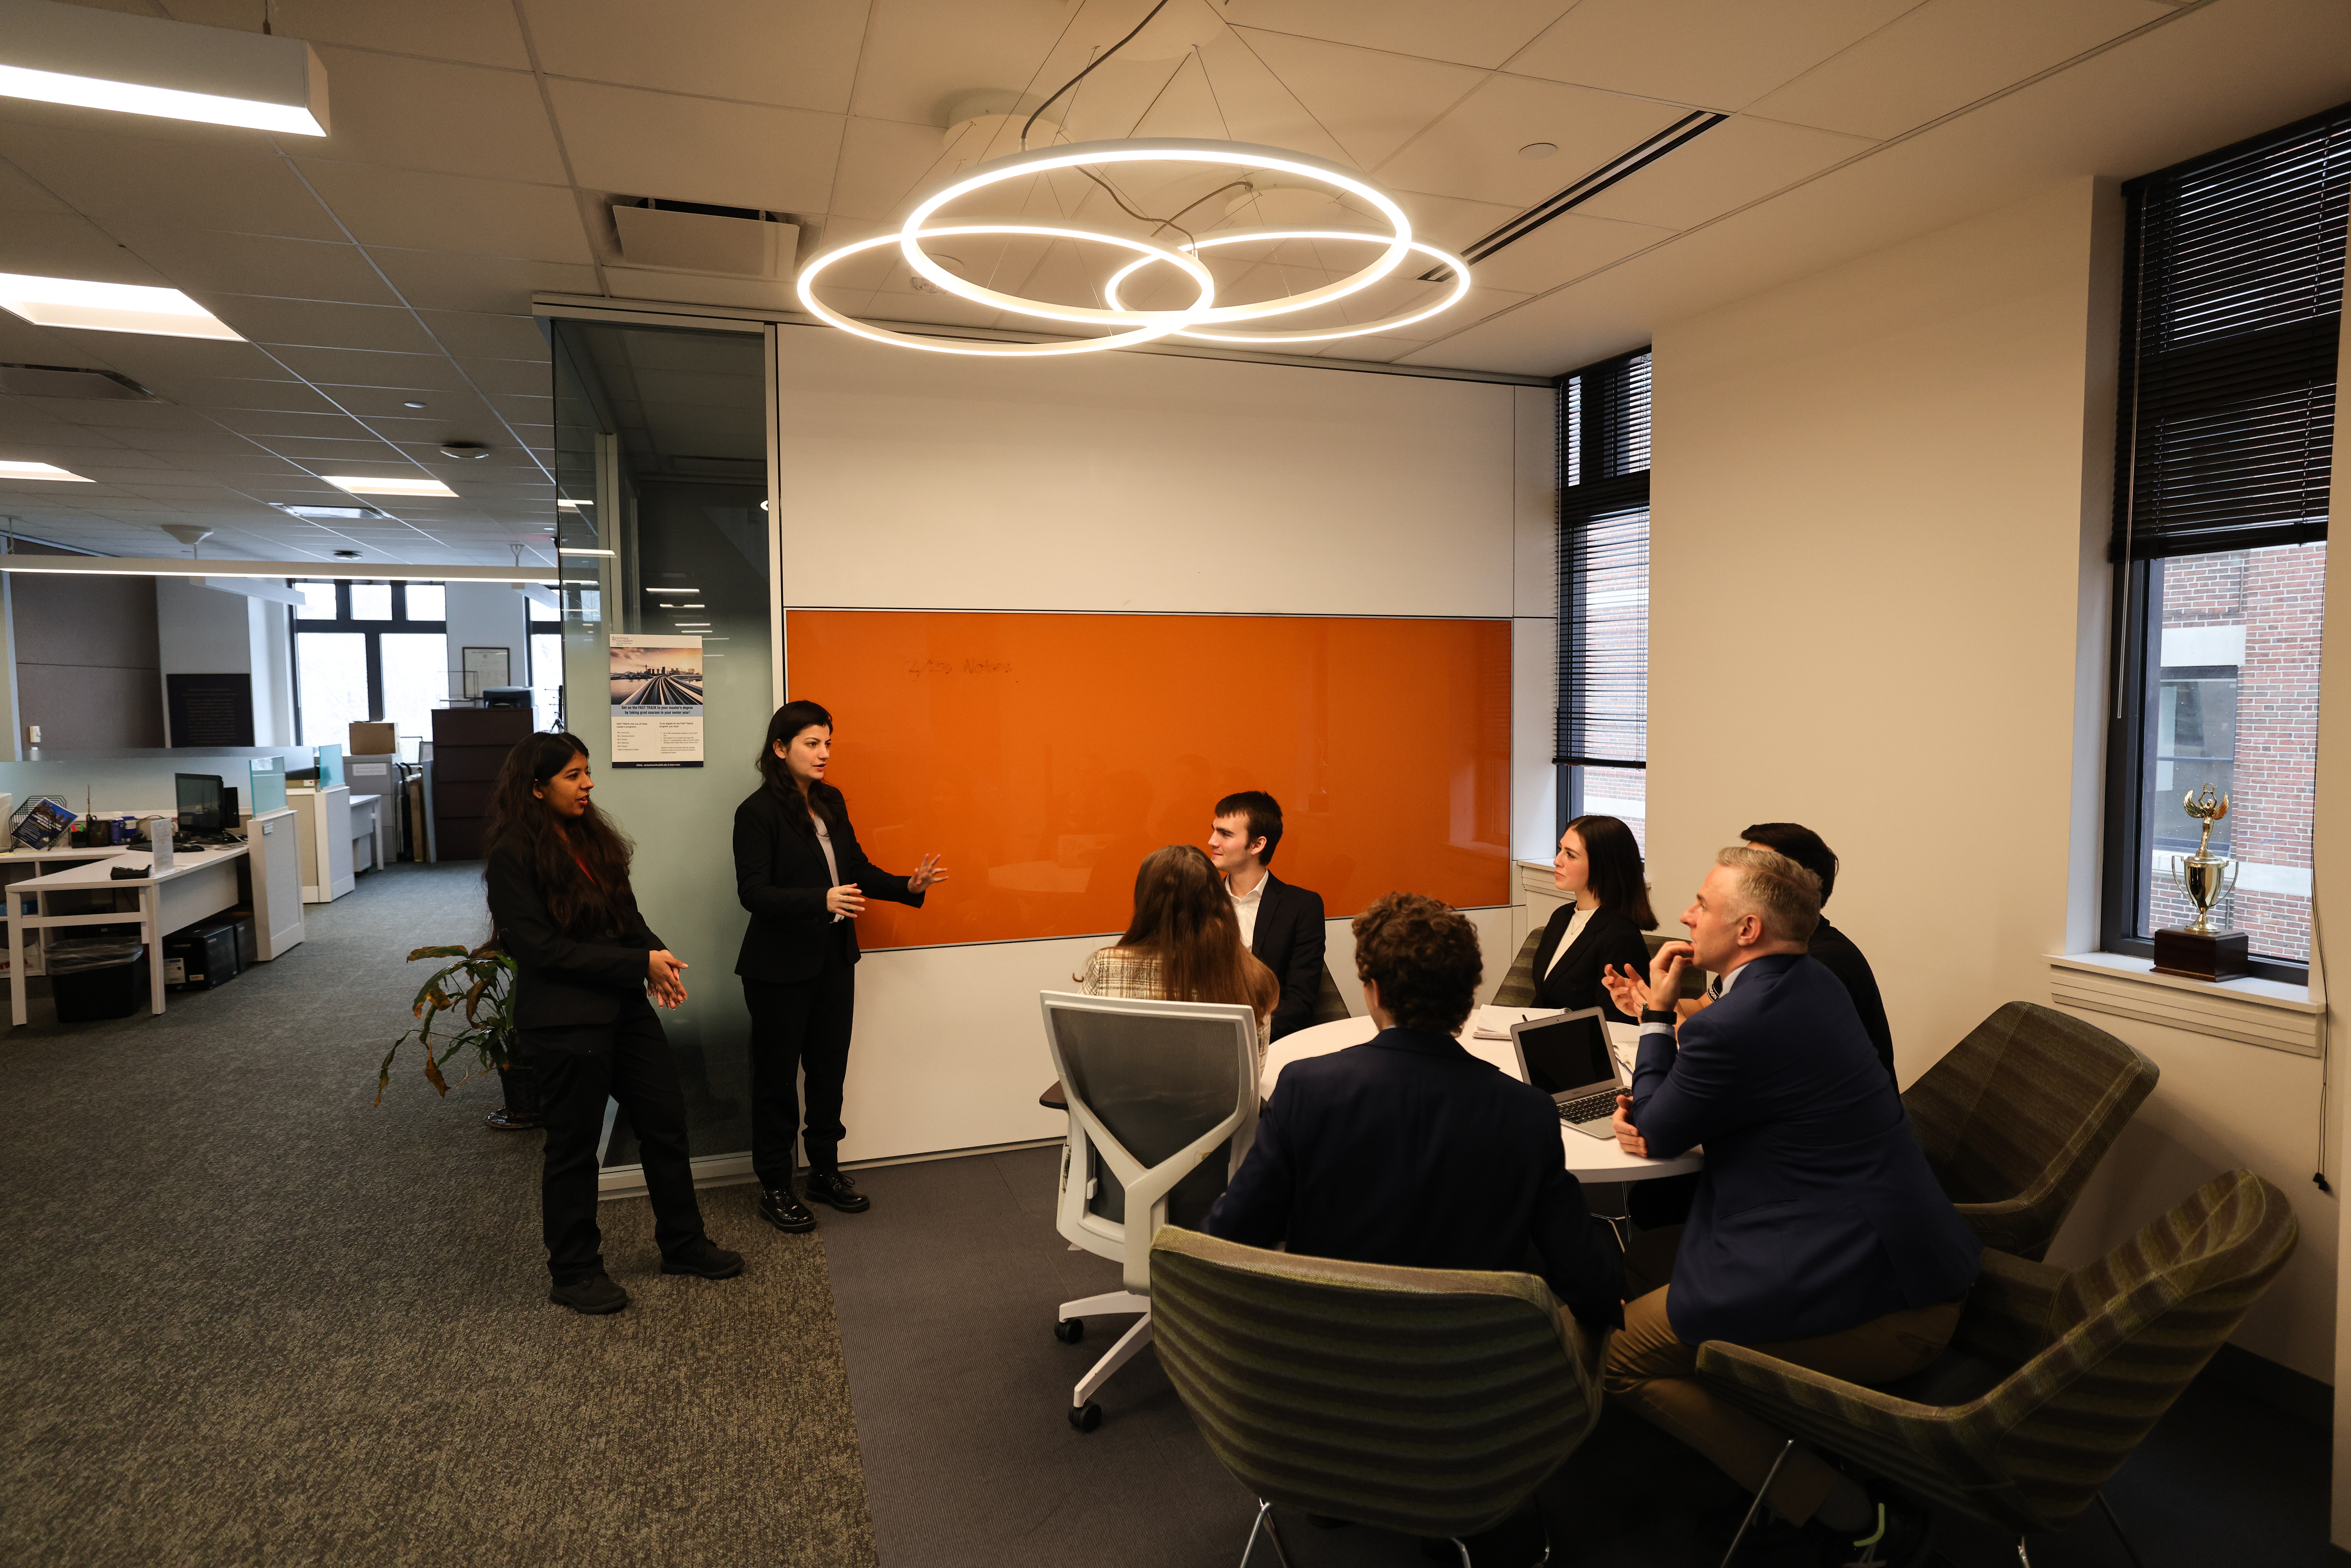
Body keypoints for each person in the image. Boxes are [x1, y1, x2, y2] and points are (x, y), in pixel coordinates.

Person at [1204, 891, 1624, 1567]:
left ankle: (1342, 1479)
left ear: (1371, 990)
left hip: (1325, 1373)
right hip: (1470, 1392)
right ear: (1468, 995)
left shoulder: (1308, 1089)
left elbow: (1232, 1232)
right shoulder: (1524, 1113)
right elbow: (1589, 1279)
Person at [1601, 848, 1978, 1568]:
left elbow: (1653, 1127)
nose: (1684, 915)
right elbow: (1728, 1061)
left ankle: (1851, 1519)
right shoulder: (1811, 981)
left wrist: (1655, 1013)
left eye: (1700, 904)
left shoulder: (1729, 1023)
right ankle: (1770, 1436)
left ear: (1746, 929)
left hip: (1885, 1306)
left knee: (1620, 1355)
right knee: (1644, 1260)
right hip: (1907, 1256)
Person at [484, 731, 741, 1315]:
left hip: (623, 1008)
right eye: (574, 775)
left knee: (666, 1121)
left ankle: (682, 1243)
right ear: (535, 787)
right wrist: (636, 962)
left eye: (588, 772)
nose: (589, 784)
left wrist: (655, 959)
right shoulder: (511, 854)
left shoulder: (589, 837)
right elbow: (541, 949)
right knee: (574, 1149)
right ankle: (574, 1271)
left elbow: (627, 917)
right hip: (566, 1021)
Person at [734, 700, 947, 1234]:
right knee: (778, 1081)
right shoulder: (757, 813)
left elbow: (854, 870)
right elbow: (753, 893)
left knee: (829, 1073)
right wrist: (820, 899)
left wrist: (906, 887)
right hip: (778, 968)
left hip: (833, 959)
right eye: (812, 742)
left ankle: (824, 1171)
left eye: (828, 742)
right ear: (780, 749)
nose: (824, 752)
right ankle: (776, 1185)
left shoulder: (830, 800)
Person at [1078, 844, 1279, 1063]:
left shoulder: (1107, 966)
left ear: (1146, 901)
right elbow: (1253, 1075)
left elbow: (1082, 1052)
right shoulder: (1252, 978)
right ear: (1219, 901)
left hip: (1122, 1096)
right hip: (1216, 1098)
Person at [1741, 821, 1895, 1083]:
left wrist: (1662, 1022)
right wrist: (1656, 1003)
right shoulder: (1762, 943)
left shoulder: (1821, 964)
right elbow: (1701, 1007)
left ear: (1789, 891)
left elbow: (1754, 1067)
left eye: (1750, 872)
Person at [1206, 790, 1326, 1040]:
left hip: (1275, 1041)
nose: (1212, 841)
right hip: (1205, 1042)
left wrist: (1247, 1038)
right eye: (1215, 830)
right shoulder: (1200, 901)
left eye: (1225, 834)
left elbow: (1300, 1001)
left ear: (1258, 845)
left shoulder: (1302, 906)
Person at [1529, 814, 1655, 1017]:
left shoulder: (1621, 938)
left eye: (1570, 855)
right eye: (1561, 850)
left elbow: (1617, 1023)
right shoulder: (1561, 916)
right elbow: (1543, 998)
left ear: (1601, 865)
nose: (1557, 861)